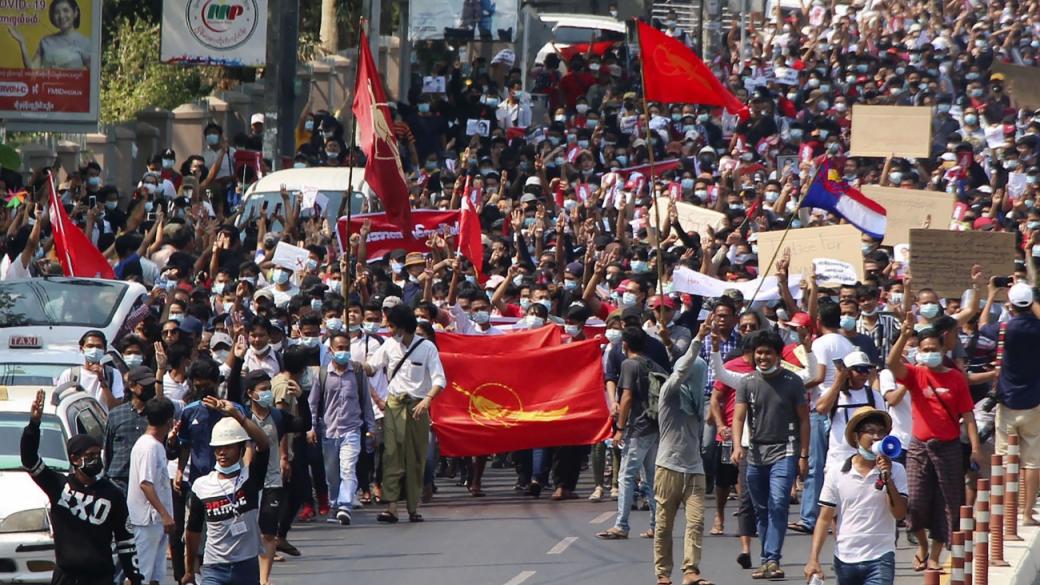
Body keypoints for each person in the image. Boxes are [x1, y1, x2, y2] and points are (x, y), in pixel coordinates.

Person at [20, 388, 143, 585]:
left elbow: (125, 540)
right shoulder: (59, 485)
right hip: (66, 576)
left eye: (97, 455)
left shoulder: (112, 494)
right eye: (90, 456)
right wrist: (34, 425)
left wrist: (134, 576)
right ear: (75, 459)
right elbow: (29, 460)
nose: (96, 460)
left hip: (99, 577)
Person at [887, 317, 981, 571]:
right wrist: (904, 336)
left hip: (948, 447)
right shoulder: (916, 374)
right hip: (919, 448)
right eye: (924, 349)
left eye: (933, 349)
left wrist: (975, 447)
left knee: (947, 504)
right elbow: (891, 363)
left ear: (943, 350)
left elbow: (969, 416)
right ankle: (922, 546)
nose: (929, 353)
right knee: (916, 502)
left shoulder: (955, 378)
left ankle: (935, 555)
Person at [731, 330, 810, 580]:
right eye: (759, 352)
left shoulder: (792, 381)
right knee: (761, 507)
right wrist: (737, 446)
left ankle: (773, 558)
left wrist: (803, 455)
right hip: (755, 452)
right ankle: (767, 559)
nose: (763, 357)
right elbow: (739, 417)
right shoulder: (747, 382)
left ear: (777, 355)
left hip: (784, 450)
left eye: (768, 352)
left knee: (778, 503)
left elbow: (804, 420)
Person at [804, 407, 909, 585]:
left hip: (880, 556)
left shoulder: (896, 470)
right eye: (870, 431)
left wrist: (887, 478)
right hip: (845, 559)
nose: (877, 437)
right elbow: (824, 518)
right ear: (856, 437)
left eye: (881, 432)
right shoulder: (837, 472)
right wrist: (813, 559)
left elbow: (899, 513)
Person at [363, 304, 446, 523]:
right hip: (394, 406)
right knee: (392, 455)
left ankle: (412, 507)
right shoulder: (389, 345)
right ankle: (391, 507)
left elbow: (439, 379)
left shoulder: (427, 347)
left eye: (391, 326)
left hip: (418, 407)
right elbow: (371, 367)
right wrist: (356, 365)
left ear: (402, 326)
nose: (389, 330)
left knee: (416, 457)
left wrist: (427, 400)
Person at [182, 396, 271, 585]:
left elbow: (263, 444)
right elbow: (193, 532)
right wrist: (190, 570)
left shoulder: (249, 479)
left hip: (246, 567)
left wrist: (238, 416)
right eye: (218, 448)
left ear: (240, 449)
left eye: (228, 447)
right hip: (214, 569)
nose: (222, 453)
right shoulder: (202, 486)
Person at [653, 320, 712, 585]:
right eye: (693, 375)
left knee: (696, 522)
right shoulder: (669, 392)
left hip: (694, 469)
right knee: (664, 526)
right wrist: (698, 338)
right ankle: (663, 573)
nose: (695, 380)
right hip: (668, 468)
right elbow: (683, 368)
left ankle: (690, 571)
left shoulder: (698, 403)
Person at [982, 281, 1040, 526]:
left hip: (1007, 404)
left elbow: (982, 325)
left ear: (1011, 304)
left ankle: (1009, 513)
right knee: (1033, 461)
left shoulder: (1004, 328)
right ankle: (1027, 513)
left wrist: (991, 294)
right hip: (1035, 403)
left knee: (1006, 462)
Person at [597, 326, 662, 540]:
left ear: (625, 344)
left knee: (626, 476)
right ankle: (656, 524)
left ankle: (621, 524)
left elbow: (626, 397)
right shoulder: (651, 363)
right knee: (650, 477)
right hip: (654, 426)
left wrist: (620, 429)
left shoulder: (629, 364)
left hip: (638, 428)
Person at [309, 331, 375, 524]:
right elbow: (313, 404)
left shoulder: (357, 372)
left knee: (348, 468)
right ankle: (335, 505)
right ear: (331, 350)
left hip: (351, 429)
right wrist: (311, 428)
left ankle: (345, 505)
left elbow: (366, 402)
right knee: (332, 474)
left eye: (347, 348)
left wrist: (371, 428)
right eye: (340, 348)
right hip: (328, 431)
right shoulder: (322, 374)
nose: (343, 352)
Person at [127, 397, 177, 585]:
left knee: (155, 575)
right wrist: (165, 515)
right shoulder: (148, 447)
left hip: (157, 523)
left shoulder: (156, 446)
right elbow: (146, 484)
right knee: (140, 574)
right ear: (169, 421)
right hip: (146, 521)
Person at [104, 366, 158, 493]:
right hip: (119, 480)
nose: (150, 389)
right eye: (145, 385)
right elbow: (108, 449)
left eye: (152, 385)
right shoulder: (116, 414)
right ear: (132, 386)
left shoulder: (156, 414)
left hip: (147, 480)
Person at [8, 0, 92, 69]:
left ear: (75, 12)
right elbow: (32, 69)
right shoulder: (45, 41)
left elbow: (91, 76)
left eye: (65, 10)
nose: (61, 16)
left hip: (73, 89)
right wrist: (22, 43)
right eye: (57, 12)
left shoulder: (86, 42)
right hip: (47, 89)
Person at [56, 330, 124, 411]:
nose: (94, 350)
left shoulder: (113, 374)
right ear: (82, 349)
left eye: (98, 347)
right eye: (90, 346)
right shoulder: (70, 374)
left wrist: (102, 381)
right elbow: (59, 404)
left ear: (105, 350)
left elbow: (116, 408)